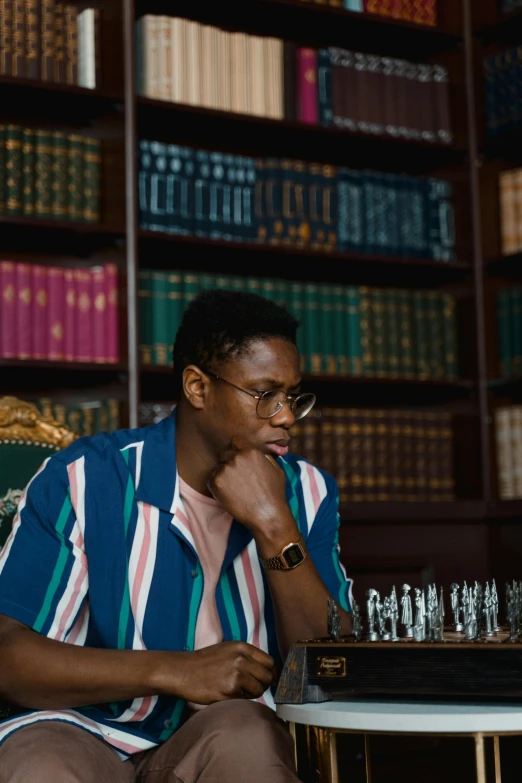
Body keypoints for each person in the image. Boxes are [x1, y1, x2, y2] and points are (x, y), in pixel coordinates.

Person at [0, 290, 353, 782]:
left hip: (223, 733)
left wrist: (275, 527)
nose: (286, 417)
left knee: (249, 739)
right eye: (265, 394)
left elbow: (329, 667)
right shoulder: (83, 480)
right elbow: (9, 657)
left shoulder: (307, 492)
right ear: (197, 387)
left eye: (293, 397)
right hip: (80, 728)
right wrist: (176, 670)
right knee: (40, 766)